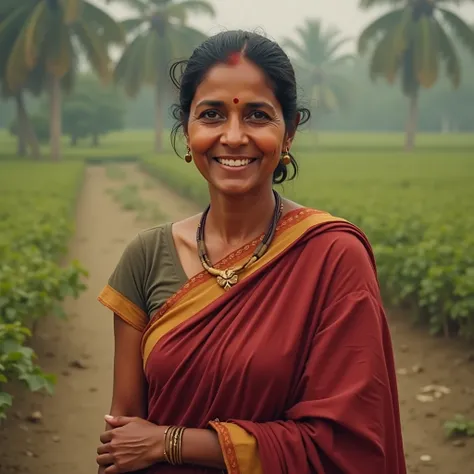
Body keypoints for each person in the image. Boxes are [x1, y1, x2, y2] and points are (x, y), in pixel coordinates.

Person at [95, 30, 407, 474]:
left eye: (258, 115)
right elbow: (122, 437)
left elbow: (345, 442)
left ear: (289, 132)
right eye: (212, 115)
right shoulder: (146, 257)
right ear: (188, 131)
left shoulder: (333, 256)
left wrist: (172, 442)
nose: (234, 136)